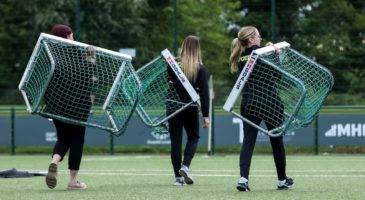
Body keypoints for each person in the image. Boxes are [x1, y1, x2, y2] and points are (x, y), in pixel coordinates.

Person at [229, 26, 294, 191]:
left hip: (249, 102)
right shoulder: (265, 53)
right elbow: (279, 75)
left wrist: (270, 51)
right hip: (270, 102)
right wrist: (276, 54)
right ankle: (281, 180)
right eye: (258, 36)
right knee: (276, 141)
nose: (260, 38)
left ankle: (243, 179)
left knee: (248, 141)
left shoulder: (241, 57)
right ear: (251, 39)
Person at [44, 24, 94, 190]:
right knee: (77, 140)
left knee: (63, 139)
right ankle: (73, 181)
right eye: (71, 35)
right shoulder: (77, 55)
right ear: (67, 35)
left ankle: (54, 161)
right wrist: (91, 60)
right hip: (78, 107)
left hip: (56, 106)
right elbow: (87, 80)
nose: (73, 38)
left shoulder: (52, 56)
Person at [168, 35, 210, 186]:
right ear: (197, 48)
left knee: (175, 141)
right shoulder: (200, 67)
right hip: (190, 107)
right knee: (193, 137)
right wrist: (206, 115)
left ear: (183, 46)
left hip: (172, 106)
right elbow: (204, 94)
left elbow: (170, 81)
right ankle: (185, 166)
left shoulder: (172, 63)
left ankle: (178, 178)